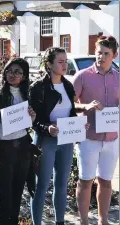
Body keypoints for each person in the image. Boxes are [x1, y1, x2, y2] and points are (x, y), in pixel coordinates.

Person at [29, 47, 89, 225]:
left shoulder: (68, 85)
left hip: (66, 141)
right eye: (60, 61)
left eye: (65, 60)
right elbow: (33, 120)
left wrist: (79, 124)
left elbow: (70, 112)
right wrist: (47, 128)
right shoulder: (38, 87)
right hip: (46, 141)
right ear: (49, 64)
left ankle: (60, 221)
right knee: (42, 186)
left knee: (62, 185)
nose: (65, 65)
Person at [73, 36, 119, 225]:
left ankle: (103, 220)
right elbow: (69, 104)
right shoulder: (82, 76)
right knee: (85, 181)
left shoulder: (119, 78)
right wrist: (85, 106)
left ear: (114, 55)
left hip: (112, 139)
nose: (101, 57)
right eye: (99, 52)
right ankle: (84, 221)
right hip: (88, 138)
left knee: (106, 181)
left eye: (106, 54)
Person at [0, 57, 36, 225]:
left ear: (24, 75)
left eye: (17, 72)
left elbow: (28, 124)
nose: (12, 75)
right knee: (4, 194)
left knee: (17, 192)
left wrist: (32, 117)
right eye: (9, 71)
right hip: (3, 148)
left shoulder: (27, 94)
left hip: (22, 148)